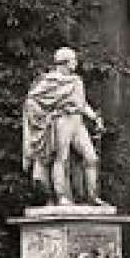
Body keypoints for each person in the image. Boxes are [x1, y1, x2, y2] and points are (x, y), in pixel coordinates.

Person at [22, 47, 111, 207]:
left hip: (77, 122)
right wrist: (43, 118)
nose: (76, 63)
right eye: (73, 60)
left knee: (91, 158)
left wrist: (95, 118)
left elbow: (82, 104)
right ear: (64, 62)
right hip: (61, 121)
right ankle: (61, 196)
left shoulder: (76, 80)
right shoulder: (49, 81)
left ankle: (92, 196)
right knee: (61, 158)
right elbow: (31, 101)